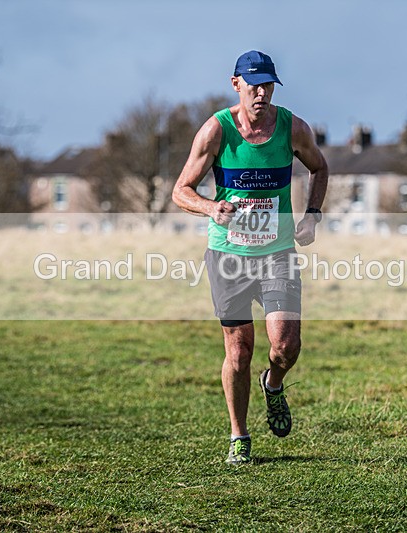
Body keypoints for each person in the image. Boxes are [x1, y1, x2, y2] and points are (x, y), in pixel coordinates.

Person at [172, 50, 328, 464]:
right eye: (252, 84)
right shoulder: (216, 131)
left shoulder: (293, 128)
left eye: (267, 84)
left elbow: (320, 167)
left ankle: (273, 383)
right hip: (229, 255)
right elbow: (180, 189)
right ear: (236, 83)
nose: (260, 92)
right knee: (238, 351)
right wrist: (210, 207)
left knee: (286, 346)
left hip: (277, 252)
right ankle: (239, 436)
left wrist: (312, 215)